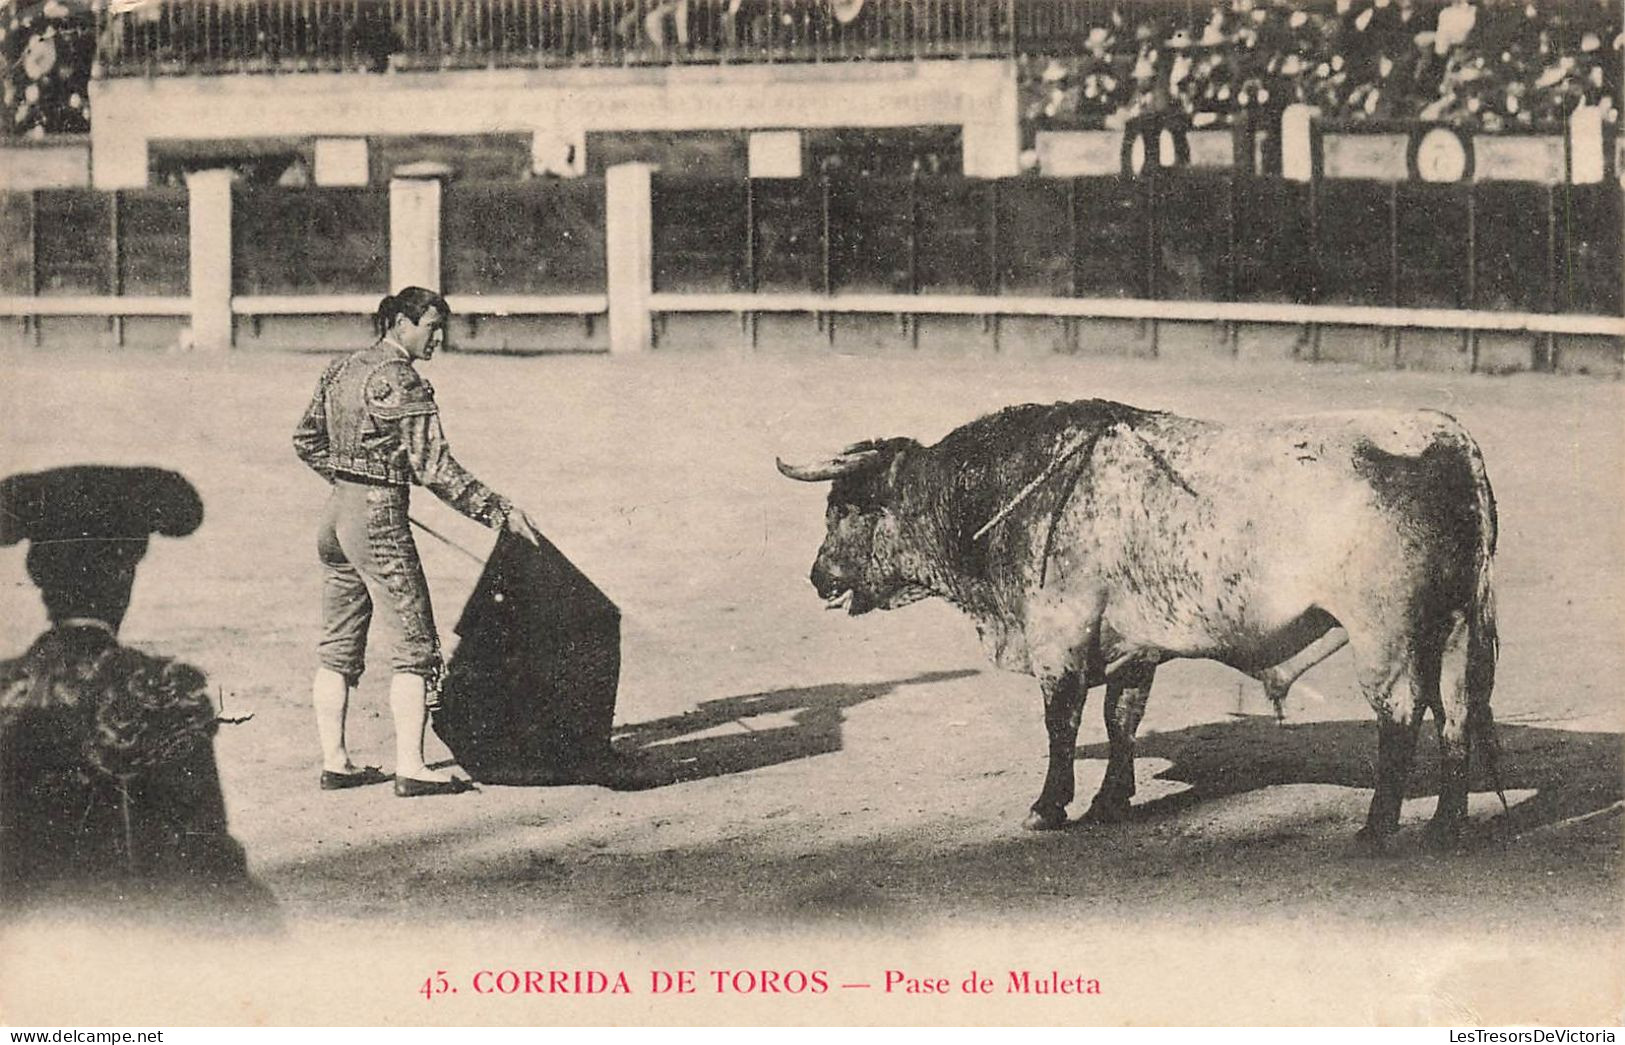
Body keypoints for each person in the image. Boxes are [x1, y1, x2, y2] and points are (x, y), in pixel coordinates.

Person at [292, 287, 543, 798]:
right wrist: (500, 512)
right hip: (378, 520)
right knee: (416, 645)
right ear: (400, 323)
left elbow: (306, 440)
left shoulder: (342, 368)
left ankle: (336, 761)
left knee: (338, 643)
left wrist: (351, 478)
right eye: (431, 327)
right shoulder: (401, 378)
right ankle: (413, 766)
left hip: (337, 516)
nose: (439, 338)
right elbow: (435, 468)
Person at [0, 466, 269, 920]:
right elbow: (204, 851)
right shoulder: (161, 687)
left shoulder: (8, 684)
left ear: (41, 580)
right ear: (125, 580)